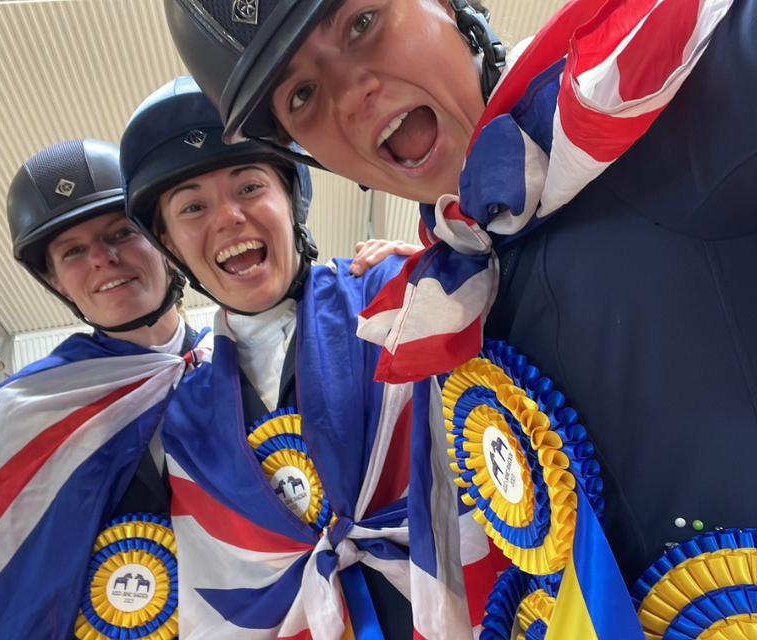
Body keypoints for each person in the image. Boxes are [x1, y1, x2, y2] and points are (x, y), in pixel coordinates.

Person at [164, 0, 757, 634]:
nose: (352, 95)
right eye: (303, 94)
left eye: (361, 25)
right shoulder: (451, 290)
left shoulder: (679, 89)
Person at [0, 126, 422, 637]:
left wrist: (416, 283)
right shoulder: (32, 406)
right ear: (54, 281)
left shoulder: (231, 363)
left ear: (165, 245)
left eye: (120, 233)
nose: (102, 258)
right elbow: (14, 587)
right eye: (72, 252)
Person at [122, 76, 498, 639]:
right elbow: (217, 592)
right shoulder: (184, 419)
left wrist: (446, 262)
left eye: (248, 187)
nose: (227, 218)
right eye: (192, 207)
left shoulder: (393, 298)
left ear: (291, 198)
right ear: (172, 246)